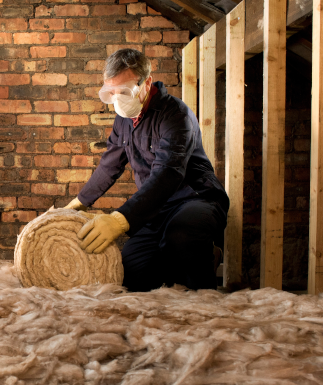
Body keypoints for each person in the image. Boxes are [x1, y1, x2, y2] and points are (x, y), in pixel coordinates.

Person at [64, 48, 230, 292]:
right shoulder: (123, 118)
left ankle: (204, 267)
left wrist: (120, 220)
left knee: (182, 236)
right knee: (133, 273)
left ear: (146, 82)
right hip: (155, 210)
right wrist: (78, 203)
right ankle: (181, 259)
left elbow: (168, 174)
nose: (118, 99)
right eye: (111, 93)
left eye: (125, 91)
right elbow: (110, 163)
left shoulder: (176, 115)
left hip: (195, 199)